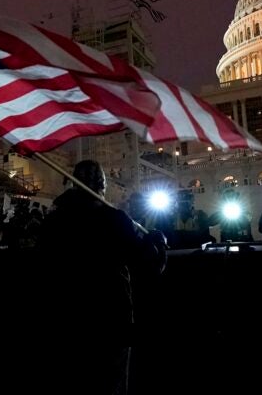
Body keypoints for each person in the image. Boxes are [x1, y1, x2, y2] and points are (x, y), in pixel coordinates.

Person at [36, 160, 167, 395]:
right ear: (102, 185)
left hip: (64, 319)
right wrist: (156, 243)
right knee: (111, 387)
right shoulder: (114, 219)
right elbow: (148, 266)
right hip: (110, 318)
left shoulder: (53, 222)